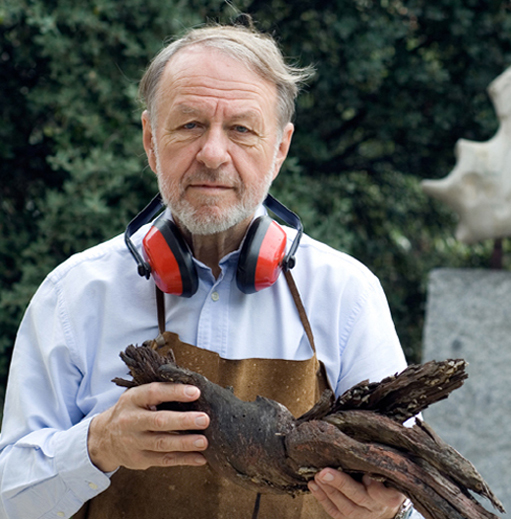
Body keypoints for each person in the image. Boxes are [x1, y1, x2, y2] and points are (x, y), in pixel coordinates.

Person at [0, 23, 419, 519]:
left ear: (280, 148)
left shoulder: (348, 295)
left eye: (241, 129)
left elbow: (411, 488)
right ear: (150, 140)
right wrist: (99, 443)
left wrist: (389, 510)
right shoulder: (73, 295)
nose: (214, 154)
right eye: (190, 125)